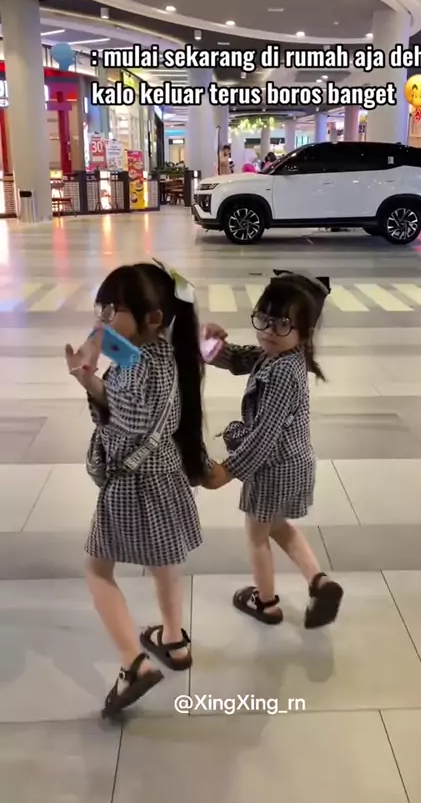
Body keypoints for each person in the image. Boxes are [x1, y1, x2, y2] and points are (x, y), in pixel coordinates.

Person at [64, 261, 220, 718]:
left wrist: (90, 383)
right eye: (101, 307)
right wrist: (94, 350)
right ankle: (173, 640)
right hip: (164, 475)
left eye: (112, 310)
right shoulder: (163, 352)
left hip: (132, 484)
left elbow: (128, 422)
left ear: (152, 318)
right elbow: (112, 345)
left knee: (97, 570)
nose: (102, 319)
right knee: (163, 561)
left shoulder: (137, 366)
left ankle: (134, 663)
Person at [202, 272, 344, 628]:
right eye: (263, 318)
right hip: (293, 462)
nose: (268, 330)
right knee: (278, 526)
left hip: (273, 468)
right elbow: (238, 358)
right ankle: (320, 582)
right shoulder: (283, 356)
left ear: (304, 333)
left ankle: (265, 602)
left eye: (281, 324)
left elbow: (264, 435)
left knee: (256, 535)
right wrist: (209, 346)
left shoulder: (283, 373)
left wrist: (228, 470)